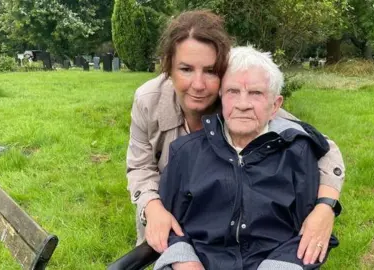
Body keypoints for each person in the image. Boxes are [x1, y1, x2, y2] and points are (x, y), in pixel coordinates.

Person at [126, 10, 345, 267]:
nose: (198, 84)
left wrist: (325, 207)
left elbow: (320, 145)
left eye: (210, 71)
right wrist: (153, 208)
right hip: (178, 216)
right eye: (185, 69)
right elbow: (140, 166)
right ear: (168, 69)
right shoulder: (149, 102)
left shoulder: (239, 102)